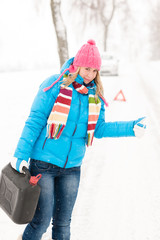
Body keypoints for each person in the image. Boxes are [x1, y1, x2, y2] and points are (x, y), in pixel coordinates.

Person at [11, 39, 146, 240]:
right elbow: (35, 120)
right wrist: (20, 154)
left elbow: (99, 129)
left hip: (72, 168)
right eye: (86, 69)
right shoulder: (55, 85)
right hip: (44, 165)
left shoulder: (95, 95)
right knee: (41, 221)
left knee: (63, 224)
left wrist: (130, 127)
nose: (90, 75)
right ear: (77, 65)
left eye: (94, 71)